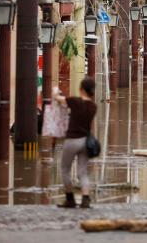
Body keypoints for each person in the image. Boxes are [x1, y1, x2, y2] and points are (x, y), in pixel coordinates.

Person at [54, 78, 98, 208]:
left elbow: (58, 99)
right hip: (85, 141)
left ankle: (70, 199)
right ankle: (85, 198)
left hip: (72, 140)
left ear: (81, 89)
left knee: (65, 169)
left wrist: (55, 92)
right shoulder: (93, 107)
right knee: (82, 172)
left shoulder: (75, 102)